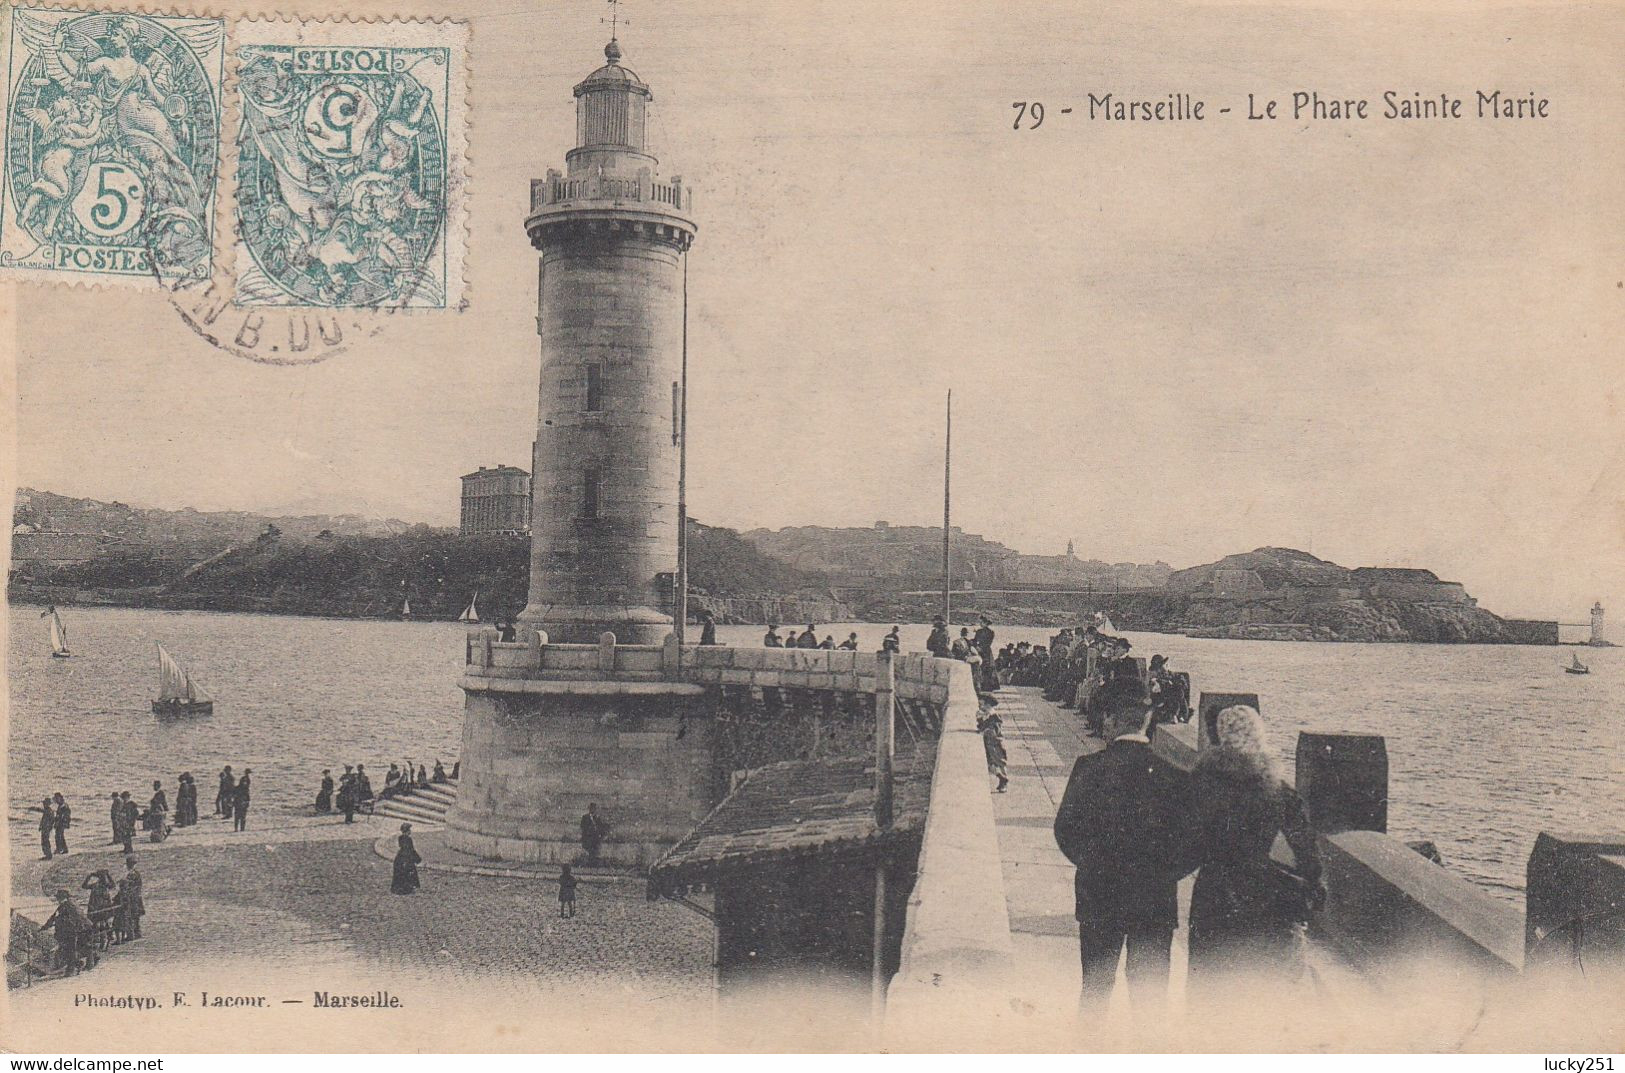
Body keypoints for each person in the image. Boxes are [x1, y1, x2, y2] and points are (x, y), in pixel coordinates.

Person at [1053, 675, 1193, 1015]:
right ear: (1148, 721)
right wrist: (1162, 874)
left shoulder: (1089, 768)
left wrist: (1094, 864)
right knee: (1150, 998)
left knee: (1095, 991)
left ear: (1111, 720)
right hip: (1154, 900)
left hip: (1100, 895)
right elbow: (1191, 843)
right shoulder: (1174, 774)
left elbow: (1065, 830)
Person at [1187, 705, 1324, 995]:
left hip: (1213, 895)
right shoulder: (1277, 789)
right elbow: (1306, 850)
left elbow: (1183, 843)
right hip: (1262, 896)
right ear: (1260, 737)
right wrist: (1313, 885)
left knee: (1208, 988)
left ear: (1221, 737)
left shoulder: (1200, 784)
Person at [42, 891, 88, 976]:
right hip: (65, 932)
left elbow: (77, 917)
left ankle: (71, 970)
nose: (57, 899)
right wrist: (45, 927)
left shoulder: (68, 906)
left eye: (58, 897)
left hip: (69, 932)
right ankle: (77, 964)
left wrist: (46, 926)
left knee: (69, 950)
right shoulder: (64, 906)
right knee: (68, 950)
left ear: (62, 898)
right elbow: (53, 917)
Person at [81, 870, 116, 954]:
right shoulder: (102, 886)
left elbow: (84, 886)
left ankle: (102, 942)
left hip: (100, 909)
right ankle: (102, 941)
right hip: (99, 909)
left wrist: (89, 876)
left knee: (101, 926)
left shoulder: (100, 886)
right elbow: (84, 886)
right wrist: (108, 875)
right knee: (101, 926)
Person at [978, 709, 1009, 792]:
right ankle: (1002, 778)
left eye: (983, 703)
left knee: (1000, 762)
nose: (981, 705)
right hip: (989, 743)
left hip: (996, 743)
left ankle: (1004, 782)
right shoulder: (985, 714)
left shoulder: (994, 716)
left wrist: (986, 729)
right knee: (991, 764)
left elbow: (995, 731)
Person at [391, 823, 423, 895]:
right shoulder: (408, 839)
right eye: (409, 830)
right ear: (407, 831)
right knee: (409, 872)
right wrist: (418, 859)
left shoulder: (400, 838)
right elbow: (411, 850)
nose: (410, 831)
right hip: (407, 857)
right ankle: (407, 889)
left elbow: (402, 847)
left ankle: (399, 888)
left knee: (400, 873)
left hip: (400, 856)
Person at [122, 857, 145, 940]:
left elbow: (131, 886)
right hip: (136, 897)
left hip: (132, 897)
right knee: (135, 915)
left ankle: (131, 934)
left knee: (131, 915)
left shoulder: (132, 874)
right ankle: (136, 933)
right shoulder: (135, 873)